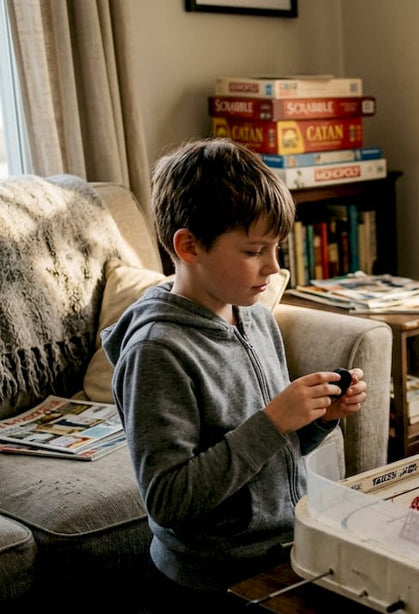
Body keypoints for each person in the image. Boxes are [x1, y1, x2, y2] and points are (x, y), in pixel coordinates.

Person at [102, 138, 369, 607]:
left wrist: (320, 419)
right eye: (254, 250)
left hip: (284, 552)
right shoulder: (156, 352)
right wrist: (273, 421)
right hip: (207, 581)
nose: (274, 266)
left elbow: (274, 452)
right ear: (188, 246)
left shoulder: (256, 318)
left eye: (277, 248)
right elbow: (167, 499)